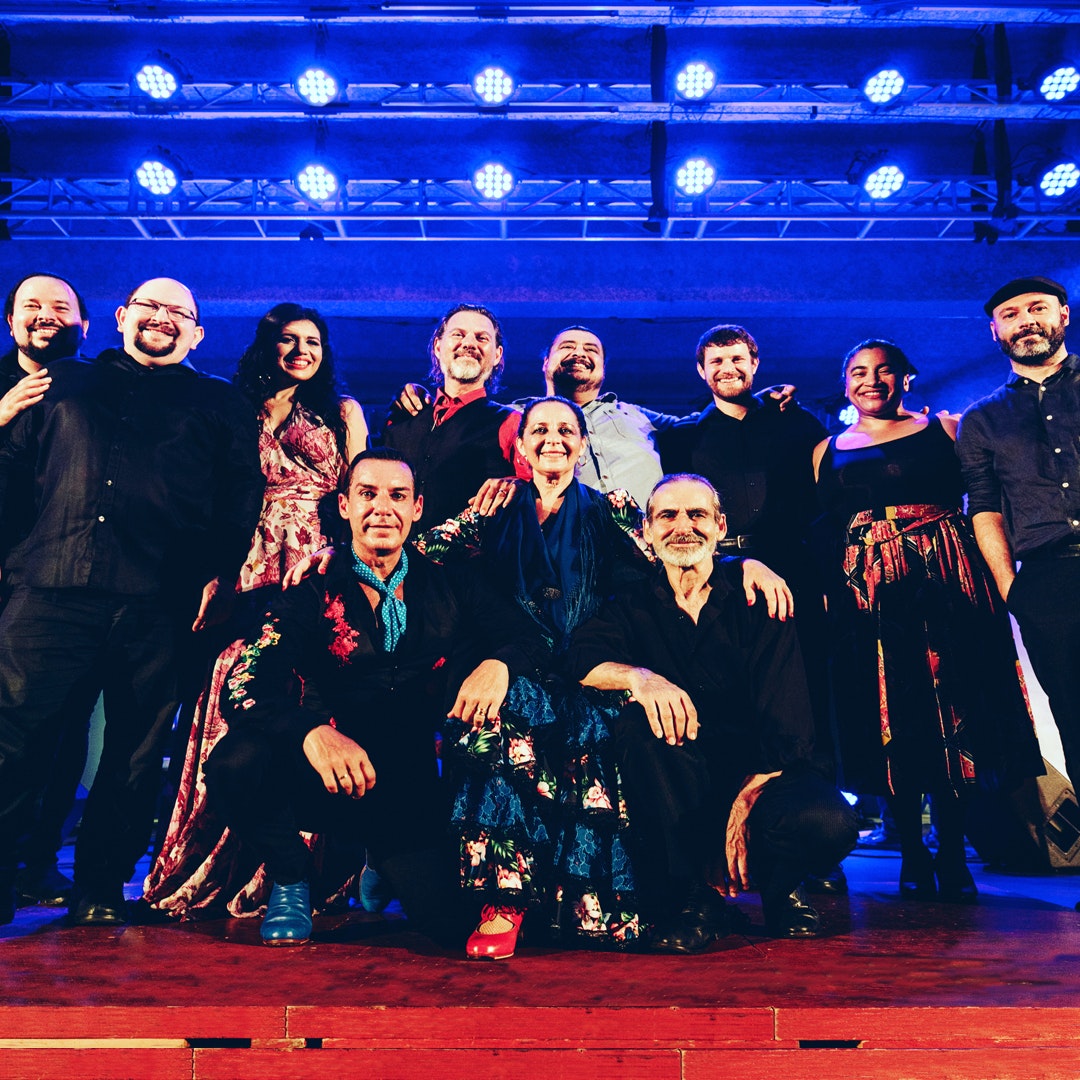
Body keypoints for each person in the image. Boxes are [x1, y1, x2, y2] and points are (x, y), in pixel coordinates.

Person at [413, 396, 791, 959]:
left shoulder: (610, 508)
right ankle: (504, 904)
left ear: (583, 445)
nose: (553, 439)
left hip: (590, 670)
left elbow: (675, 553)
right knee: (498, 725)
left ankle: (582, 906)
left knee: (606, 741)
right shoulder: (494, 505)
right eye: (540, 430)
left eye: (567, 430)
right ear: (521, 446)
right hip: (512, 668)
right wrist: (335, 558)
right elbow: (416, 552)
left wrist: (743, 564)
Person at [0, 277, 265, 926]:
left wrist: (219, 575)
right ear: (121, 316)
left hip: (159, 604)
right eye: (150, 305)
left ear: (197, 333)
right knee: (13, 741)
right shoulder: (62, 381)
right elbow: (11, 473)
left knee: (135, 755)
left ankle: (99, 887)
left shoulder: (220, 402)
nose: (162, 317)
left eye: (180, 311)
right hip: (48, 588)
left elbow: (240, 499)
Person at [203, 449, 544, 946]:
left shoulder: (449, 579)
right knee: (233, 764)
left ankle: (379, 860)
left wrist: (499, 665)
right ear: (345, 506)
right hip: (322, 774)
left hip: (405, 785)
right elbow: (245, 683)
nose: (382, 508)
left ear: (417, 508)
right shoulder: (311, 587)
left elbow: (531, 637)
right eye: (368, 494)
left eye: (397, 495)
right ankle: (291, 877)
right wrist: (311, 731)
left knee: (446, 926)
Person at [566, 474, 858, 950]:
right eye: (668, 515)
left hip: (766, 771)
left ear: (720, 526)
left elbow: (788, 724)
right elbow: (580, 657)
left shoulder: (759, 595)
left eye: (697, 514)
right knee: (636, 727)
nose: (683, 526)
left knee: (828, 822)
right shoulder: (631, 604)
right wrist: (639, 678)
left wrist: (745, 800)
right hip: (685, 781)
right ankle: (697, 902)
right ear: (647, 531)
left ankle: (783, 888)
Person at [143, 303, 368, 919]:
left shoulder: (341, 413)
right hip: (243, 564)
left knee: (307, 693)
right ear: (266, 346)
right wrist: (214, 573)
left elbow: (357, 493)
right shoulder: (231, 405)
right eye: (289, 340)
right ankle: (214, 857)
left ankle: (295, 870)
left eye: (313, 342)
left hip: (315, 565)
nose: (301, 351)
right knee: (233, 695)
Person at [815, 339, 1044, 902]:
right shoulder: (824, 449)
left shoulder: (945, 428)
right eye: (859, 372)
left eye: (884, 370)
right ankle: (912, 853)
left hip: (946, 581)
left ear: (906, 378)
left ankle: (952, 850)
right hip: (868, 596)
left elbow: (989, 500)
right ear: (845, 383)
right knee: (889, 714)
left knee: (952, 710)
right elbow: (821, 528)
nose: (871, 380)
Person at [957, 276, 1080, 793]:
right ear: (995, 331)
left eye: (1037, 308)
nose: (1026, 321)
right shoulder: (981, 419)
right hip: (1046, 583)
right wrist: (1012, 589)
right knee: (1074, 719)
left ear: (1063, 315)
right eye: (1010, 315)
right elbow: (984, 508)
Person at [2, 273, 93, 910]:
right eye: (31, 306)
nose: (45, 316)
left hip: (63, 586)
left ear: (84, 325)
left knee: (63, 730)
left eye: (60, 307)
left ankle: (37, 863)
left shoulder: (97, 388)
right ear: (9, 322)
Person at [375, 304, 528, 528]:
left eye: (482, 338)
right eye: (458, 334)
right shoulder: (401, 417)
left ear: (497, 355)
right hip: (394, 548)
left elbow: (534, 490)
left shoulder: (510, 421)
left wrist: (518, 486)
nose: (469, 343)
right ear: (438, 347)